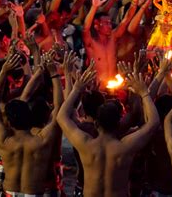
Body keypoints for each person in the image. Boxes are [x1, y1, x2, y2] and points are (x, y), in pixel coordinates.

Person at [56, 65, 160, 197]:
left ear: (96, 123)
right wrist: (143, 93)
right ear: (118, 124)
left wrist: (77, 89)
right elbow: (153, 122)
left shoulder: (85, 144)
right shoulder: (125, 146)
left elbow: (61, 116)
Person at [0, 52, 62, 196]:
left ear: (9, 122)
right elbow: (59, 107)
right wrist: (54, 74)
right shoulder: (41, 140)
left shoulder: (4, 140)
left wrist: (4, 71)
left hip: (9, 192)